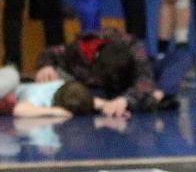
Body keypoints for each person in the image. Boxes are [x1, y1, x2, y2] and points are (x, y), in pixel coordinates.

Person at [34, 27, 166, 117]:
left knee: (174, 67)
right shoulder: (79, 50)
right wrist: (46, 66)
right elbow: (50, 52)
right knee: (71, 90)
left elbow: (145, 78)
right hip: (95, 91)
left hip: (130, 84)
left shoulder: (133, 48)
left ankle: (158, 94)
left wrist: (125, 100)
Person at [0, 65, 95, 118]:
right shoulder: (39, 95)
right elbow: (19, 110)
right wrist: (53, 111)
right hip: (8, 86)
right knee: (12, 74)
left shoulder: (66, 86)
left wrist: (106, 104)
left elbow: (92, 100)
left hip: (9, 91)